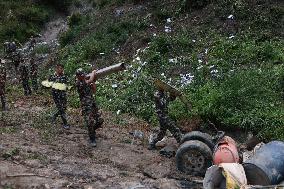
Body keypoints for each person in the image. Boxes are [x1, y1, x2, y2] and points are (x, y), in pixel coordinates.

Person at [75, 68, 104, 147]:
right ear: (78, 76)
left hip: (92, 104)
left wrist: (93, 83)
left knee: (100, 120)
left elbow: (94, 90)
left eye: (83, 75)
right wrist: (93, 73)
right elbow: (90, 80)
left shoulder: (86, 82)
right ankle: (92, 139)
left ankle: (92, 130)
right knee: (90, 122)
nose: (83, 76)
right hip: (86, 106)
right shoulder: (78, 83)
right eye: (81, 75)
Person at [49, 64, 69, 129]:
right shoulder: (52, 76)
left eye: (62, 68)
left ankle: (54, 116)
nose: (61, 69)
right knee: (61, 109)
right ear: (56, 69)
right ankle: (65, 123)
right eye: (59, 68)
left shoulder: (65, 76)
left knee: (64, 108)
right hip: (56, 95)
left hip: (63, 95)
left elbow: (67, 85)